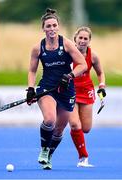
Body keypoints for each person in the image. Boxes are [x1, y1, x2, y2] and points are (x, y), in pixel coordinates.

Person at [26, 8, 87, 170]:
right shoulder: (38, 48)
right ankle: (44, 149)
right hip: (47, 88)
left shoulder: (66, 44)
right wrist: (31, 89)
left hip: (66, 90)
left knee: (59, 129)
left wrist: (70, 76)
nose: (51, 29)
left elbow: (83, 65)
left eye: (54, 25)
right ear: (43, 28)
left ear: (58, 26)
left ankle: (49, 156)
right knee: (50, 120)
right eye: (48, 26)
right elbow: (32, 70)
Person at [69, 26, 106, 167]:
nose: (83, 41)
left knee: (86, 128)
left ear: (89, 41)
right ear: (75, 39)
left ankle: (81, 151)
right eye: (80, 38)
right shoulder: (68, 54)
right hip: (70, 91)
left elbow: (100, 73)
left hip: (86, 91)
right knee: (74, 124)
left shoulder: (93, 56)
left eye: (86, 38)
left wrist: (102, 85)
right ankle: (83, 157)